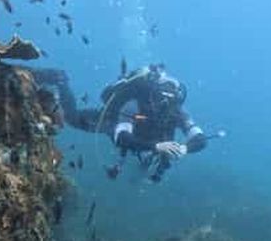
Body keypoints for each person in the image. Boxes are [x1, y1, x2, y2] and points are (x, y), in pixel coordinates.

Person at [34, 64, 208, 182]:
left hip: (141, 138)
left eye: (171, 103)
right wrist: (156, 146)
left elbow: (200, 139)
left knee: (146, 159)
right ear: (153, 95)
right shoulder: (134, 104)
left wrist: (185, 148)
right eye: (161, 100)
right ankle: (60, 80)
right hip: (113, 121)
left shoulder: (177, 112)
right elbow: (122, 137)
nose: (164, 106)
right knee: (71, 118)